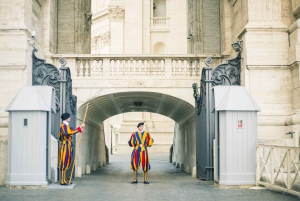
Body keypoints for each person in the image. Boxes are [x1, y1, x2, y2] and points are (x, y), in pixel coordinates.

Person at [58, 112, 85, 185]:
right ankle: (62, 180)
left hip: (68, 146)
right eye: (69, 117)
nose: (70, 118)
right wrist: (79, 128)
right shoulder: (64, 126)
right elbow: (68, 133)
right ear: (66, 119)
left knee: (66, 162)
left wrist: (79, 128)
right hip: (65, 146)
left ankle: (64, 179)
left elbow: (72, 131)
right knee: (64, 163)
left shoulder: (67, 126)